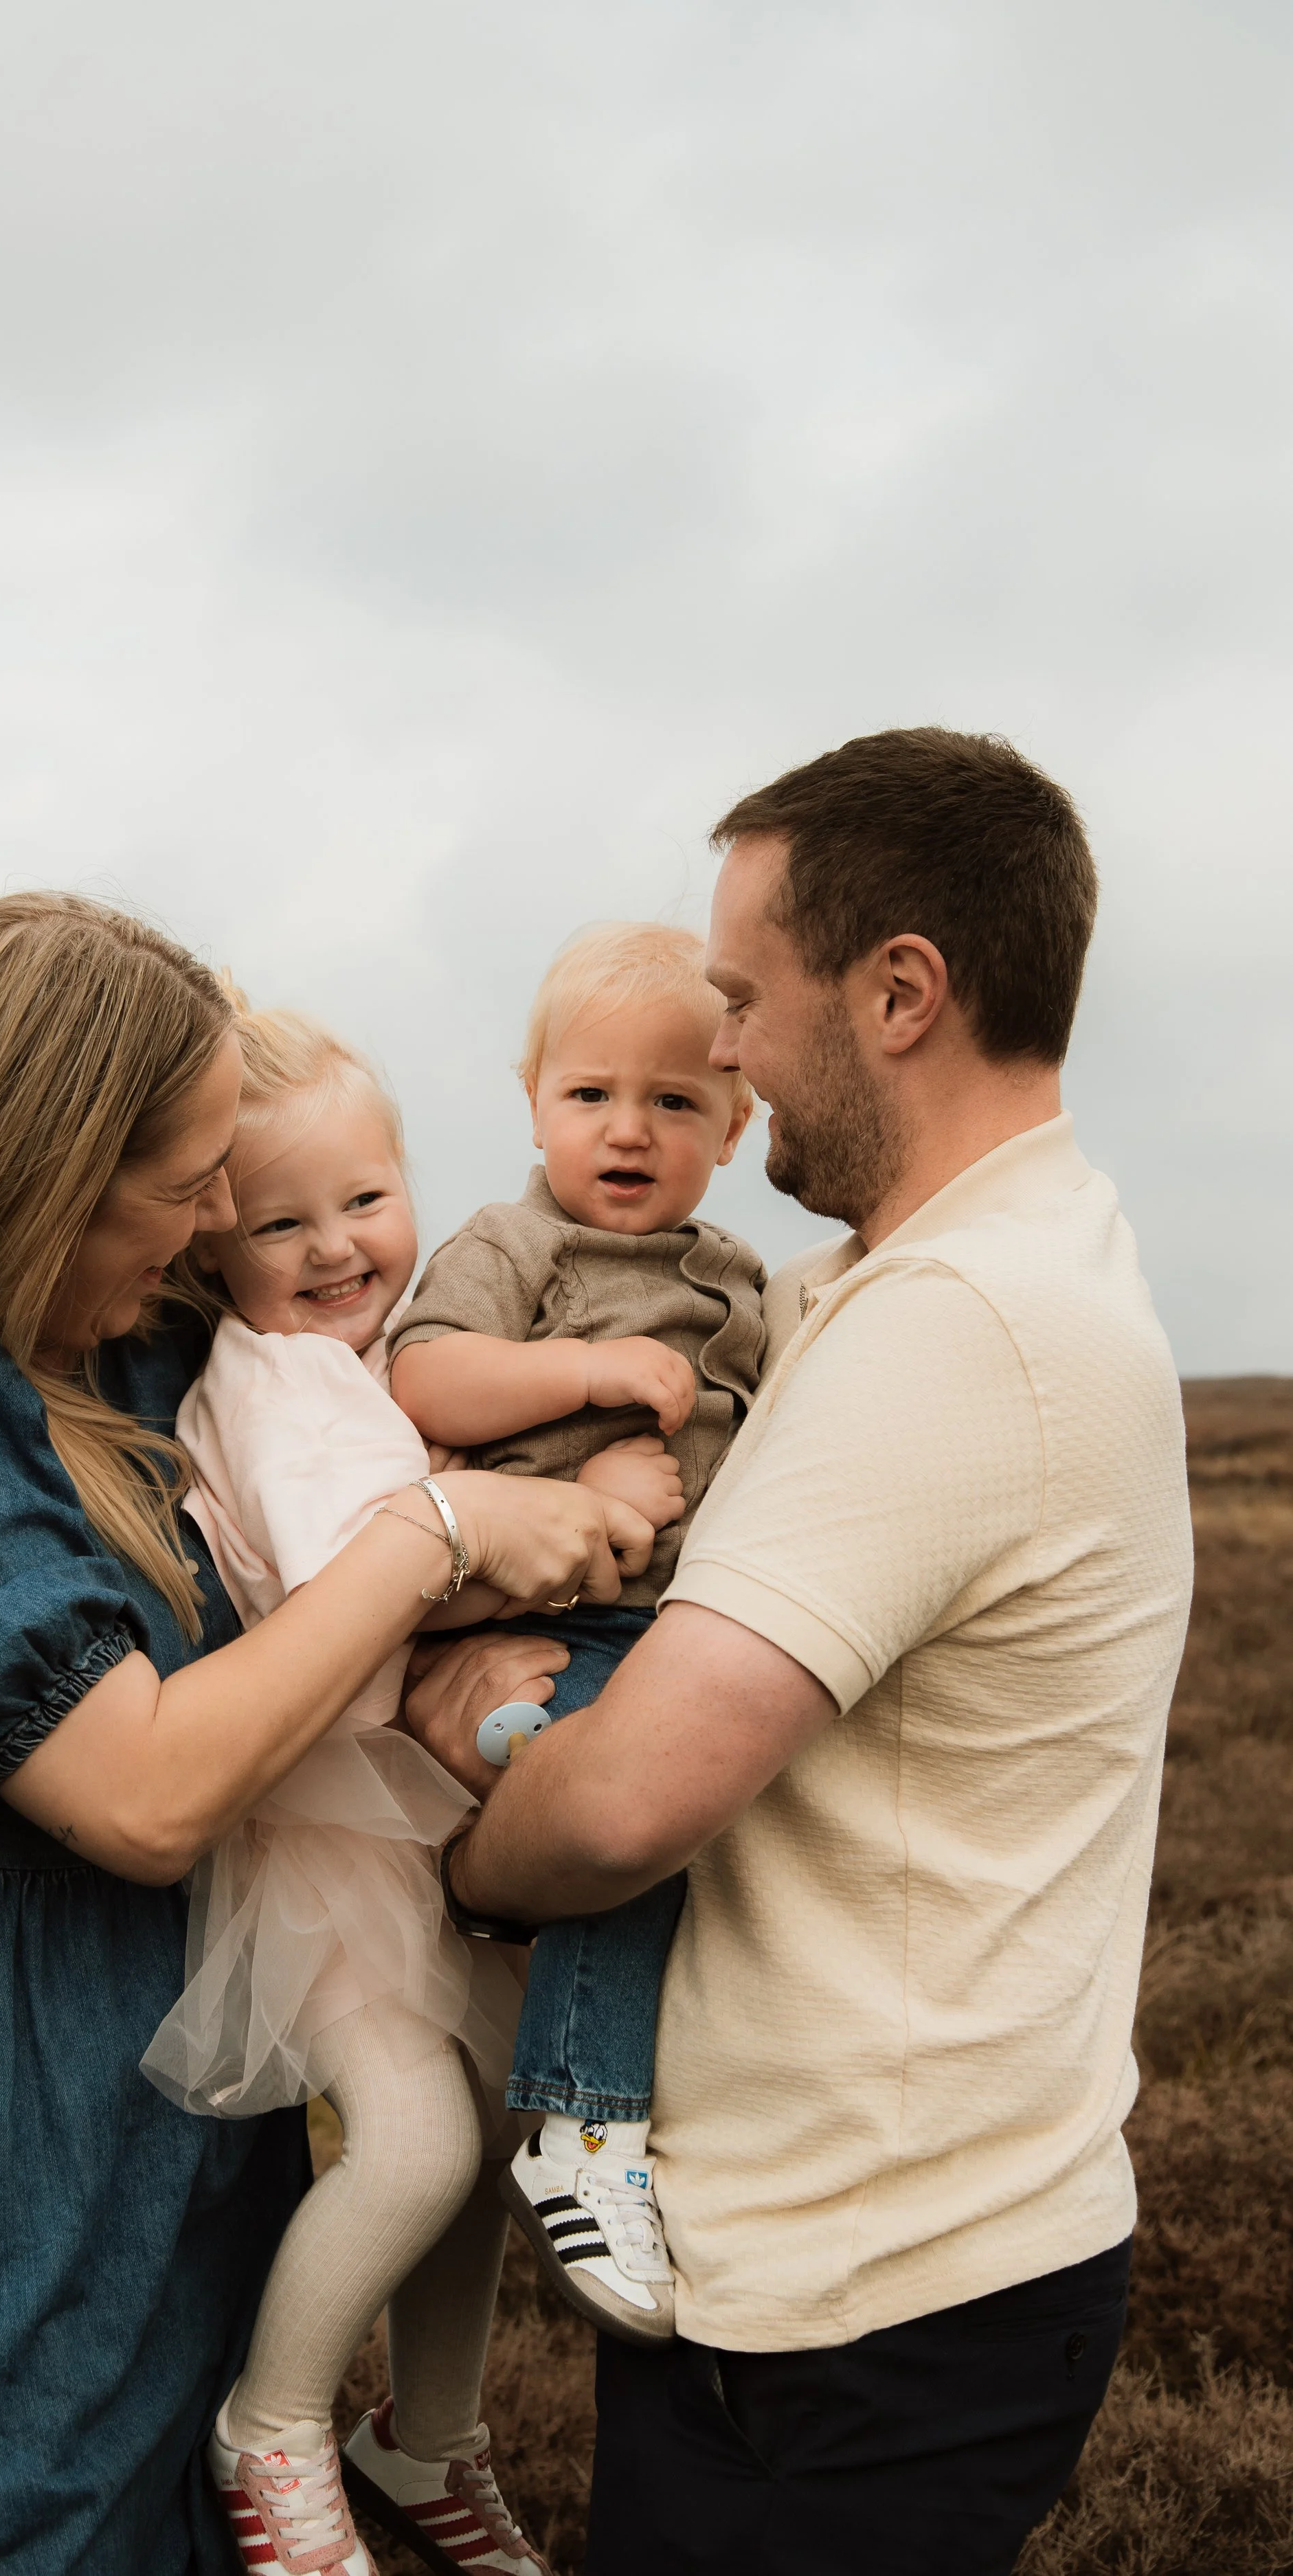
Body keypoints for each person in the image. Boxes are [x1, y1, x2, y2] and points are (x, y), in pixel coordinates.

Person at [0, 892, 638, 2576]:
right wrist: (436, 1545)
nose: (200, 1242)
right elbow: (145, 1788)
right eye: (181, 1195)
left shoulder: (130, 1333)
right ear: (40, 1164)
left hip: (169, 2163)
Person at [405, 730, 1195, 2576]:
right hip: (900, 2247)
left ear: (899, 990)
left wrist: (463, 1795)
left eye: (746, 997)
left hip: (860, 2301)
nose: (727, 1052)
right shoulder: (952, 1266)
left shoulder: (956, 1323)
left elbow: (618, 1814)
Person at [140, 998, 576, 2576]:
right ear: (213, 1251)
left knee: (484, 2124)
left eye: (364, 1201)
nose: (334, 1248)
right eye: (281, 1221)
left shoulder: (367, 1363)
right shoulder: (282, 1391)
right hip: (323, 1839)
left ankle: (428, 2440)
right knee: (409, 2144)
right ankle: (272, 2431)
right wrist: (546, 1525)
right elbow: (364, 1592)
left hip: (401, 1827)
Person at [389, 923, 764, 2344]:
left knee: (695, 1826)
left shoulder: (734, 1272)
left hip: (667, 1625)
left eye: (674, 1102)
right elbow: (427, 1377)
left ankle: (526, 1762)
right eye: (590, 1094)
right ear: (532, 1100)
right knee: (637, 1828)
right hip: (536, 1607)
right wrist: (587, 1370)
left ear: (733, 1124)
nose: (629, 1129)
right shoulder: (510, 1242)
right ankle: (580, 2127)